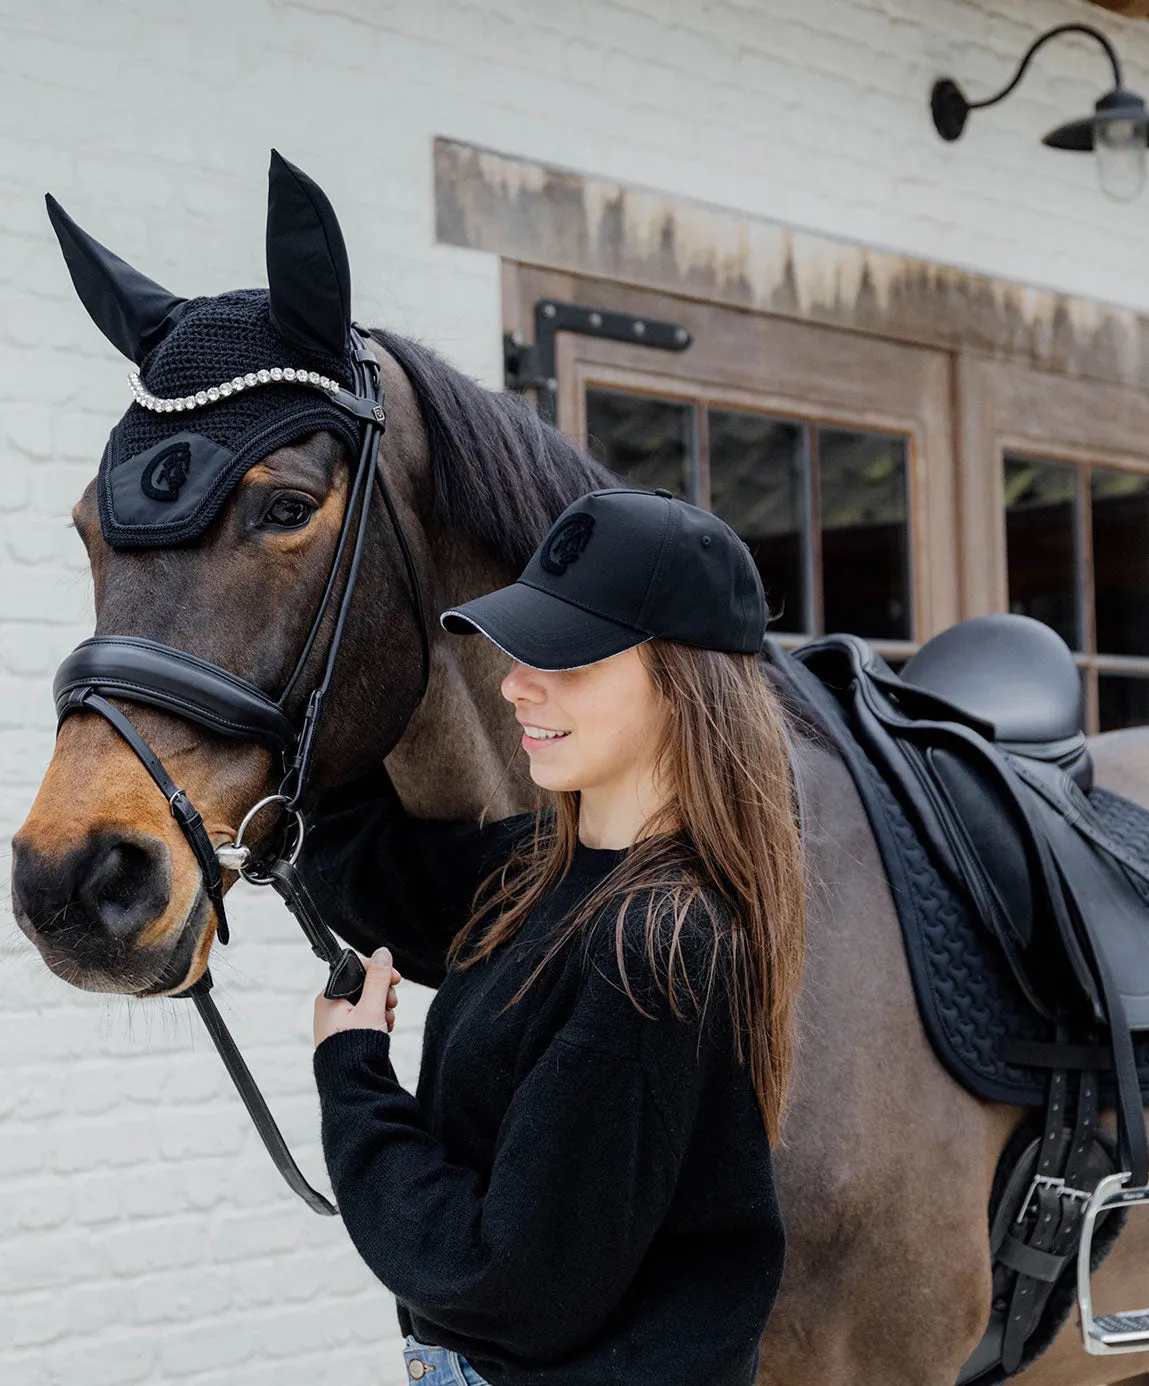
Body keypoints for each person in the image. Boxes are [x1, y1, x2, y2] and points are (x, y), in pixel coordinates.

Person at [301, 486, 807, 1386]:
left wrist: (353, 1077)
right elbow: (379, 870)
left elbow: (503, 1280)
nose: (513, 684)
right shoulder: (538, 868)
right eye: (523, 648)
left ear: (683, 683)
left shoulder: (655, 947)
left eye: (567, 659)